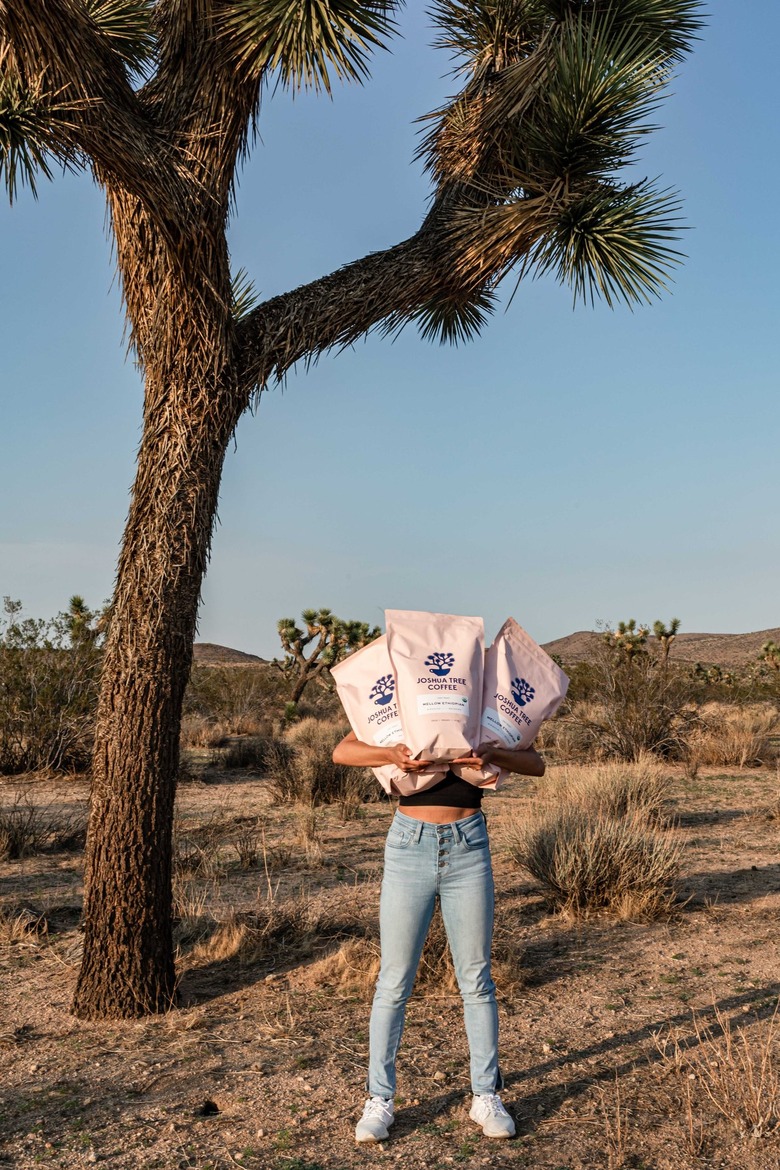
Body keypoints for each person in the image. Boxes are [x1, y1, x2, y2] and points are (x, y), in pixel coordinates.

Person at [331, 733, 545, 1143]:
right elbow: (343, 751)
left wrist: (494, 753)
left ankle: (485, 1096)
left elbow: (536, 764)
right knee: (393, 982)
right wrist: (390, 754)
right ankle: (380, 1099)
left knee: (477, 981)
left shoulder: (482, 692)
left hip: (469, 843)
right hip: (409, 844)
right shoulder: (405, 695)